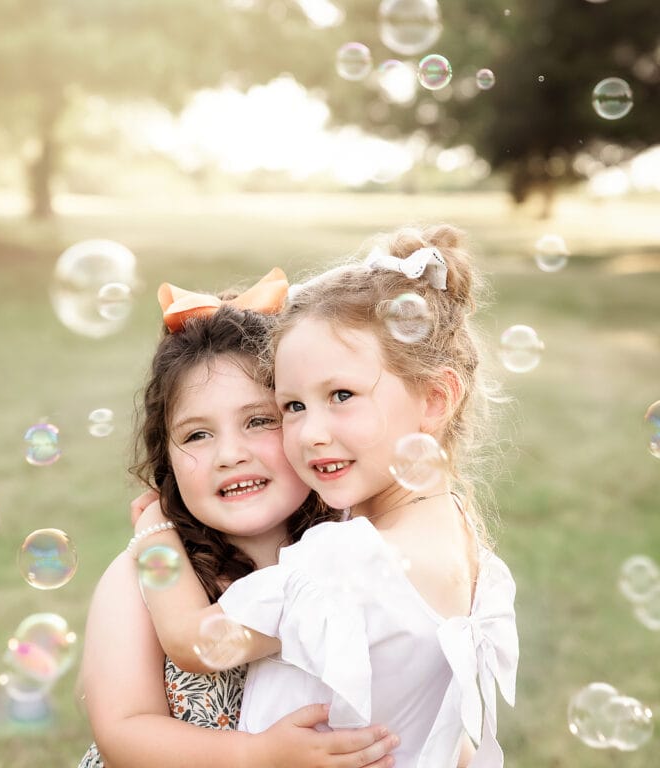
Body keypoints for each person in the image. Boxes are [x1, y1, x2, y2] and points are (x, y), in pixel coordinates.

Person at [133, 225, 519, 768]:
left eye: (341, 395)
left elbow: (193, 641)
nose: (311, 432)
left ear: (435, 399)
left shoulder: (348, 562)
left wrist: (153, 529)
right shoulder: (461, 541)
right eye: (292, 406)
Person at [78, 271, 400, 768]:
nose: (230, 454)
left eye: (259, 421)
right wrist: (256, 755)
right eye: (198, 435)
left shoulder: (349, 551)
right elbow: (123, 730)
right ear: (167, 458)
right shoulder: (142, 576)